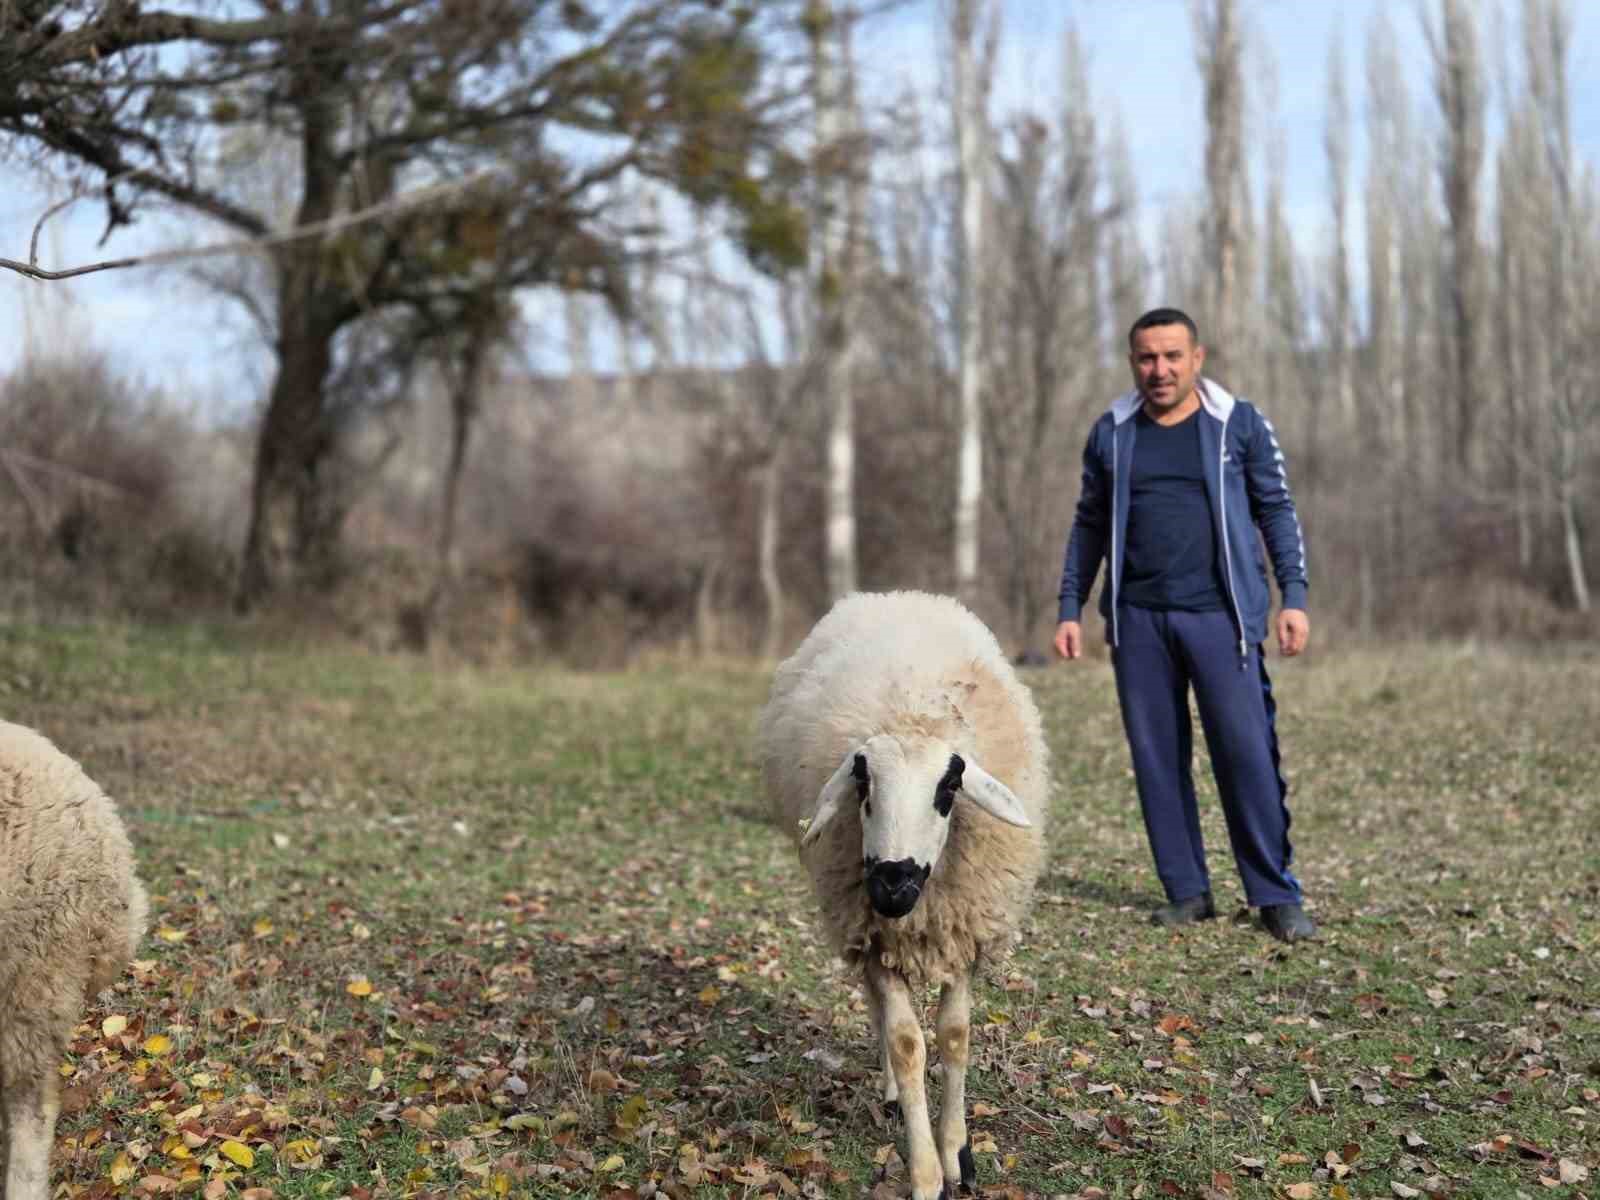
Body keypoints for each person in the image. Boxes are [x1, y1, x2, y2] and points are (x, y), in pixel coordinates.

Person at [1053, 308, 1315, 943]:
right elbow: (1089, 522)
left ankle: (1274, 895)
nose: (1159, 369)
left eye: (1172, 356)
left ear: (1197, 358)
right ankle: (1188, 891)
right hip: (1139, 619)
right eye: (1147, 357)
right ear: (1132, 362)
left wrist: (1294, 596)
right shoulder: (1112, 432)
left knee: (1247, 754)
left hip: (1221, 620)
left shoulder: (1238, 424)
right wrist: (1070, 606)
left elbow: (1275, 509)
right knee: (1156, 760)